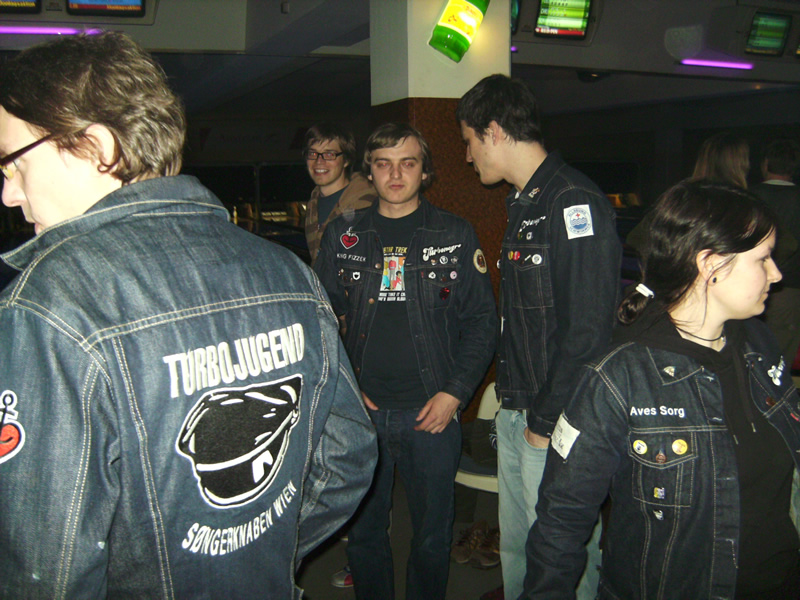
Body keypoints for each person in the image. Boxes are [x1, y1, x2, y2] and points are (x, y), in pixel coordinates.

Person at [0, 32, 377, 598]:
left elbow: (45, 569)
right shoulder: (289, 273)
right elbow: (347, 455)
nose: (9, 194)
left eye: (12, 163)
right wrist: (257, 556)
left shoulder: (50, 305)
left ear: (97, 147)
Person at [522, 180, 800, 600]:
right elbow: (560, 523)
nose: (776, 274)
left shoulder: (760, 348)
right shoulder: (619, 378)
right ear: (711, 264)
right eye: (763, 259)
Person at [314, 122, 497, 599]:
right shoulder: (343, 234)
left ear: (425, 171)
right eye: (384, 164)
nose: (395, 175)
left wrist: (455, 393)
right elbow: (318, 320)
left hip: (432, 414)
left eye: (408, 163)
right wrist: (345, 388)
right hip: (363, 415)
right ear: (369, 172)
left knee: (433, 537)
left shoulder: (454, 233)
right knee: (365, 535)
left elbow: (482, 322)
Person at [456, 74, 622, 600]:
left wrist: (544, 424)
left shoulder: (573, 201)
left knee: (562, 559)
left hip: (552, 419)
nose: (466, 155)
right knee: (520, 552)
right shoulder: (525, 202)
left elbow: (589, 333)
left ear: (493, 130)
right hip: (518, 408)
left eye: (468, 141)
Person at [627, 130, 751, 254]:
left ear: (703, 160)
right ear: (742, 164)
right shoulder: (742, 204)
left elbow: (636, 238)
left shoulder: (681, 196)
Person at [752, 138, 800, 365]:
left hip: (749, 283)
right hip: (790, 287)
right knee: (781, 353)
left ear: (765, 164)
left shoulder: (749, 196)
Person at [303, 122, 377, 265]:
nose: (319, 161)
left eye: (329, 154)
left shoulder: (366, 203)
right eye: (313, 154)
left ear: (346, 160)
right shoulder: (313, 203)